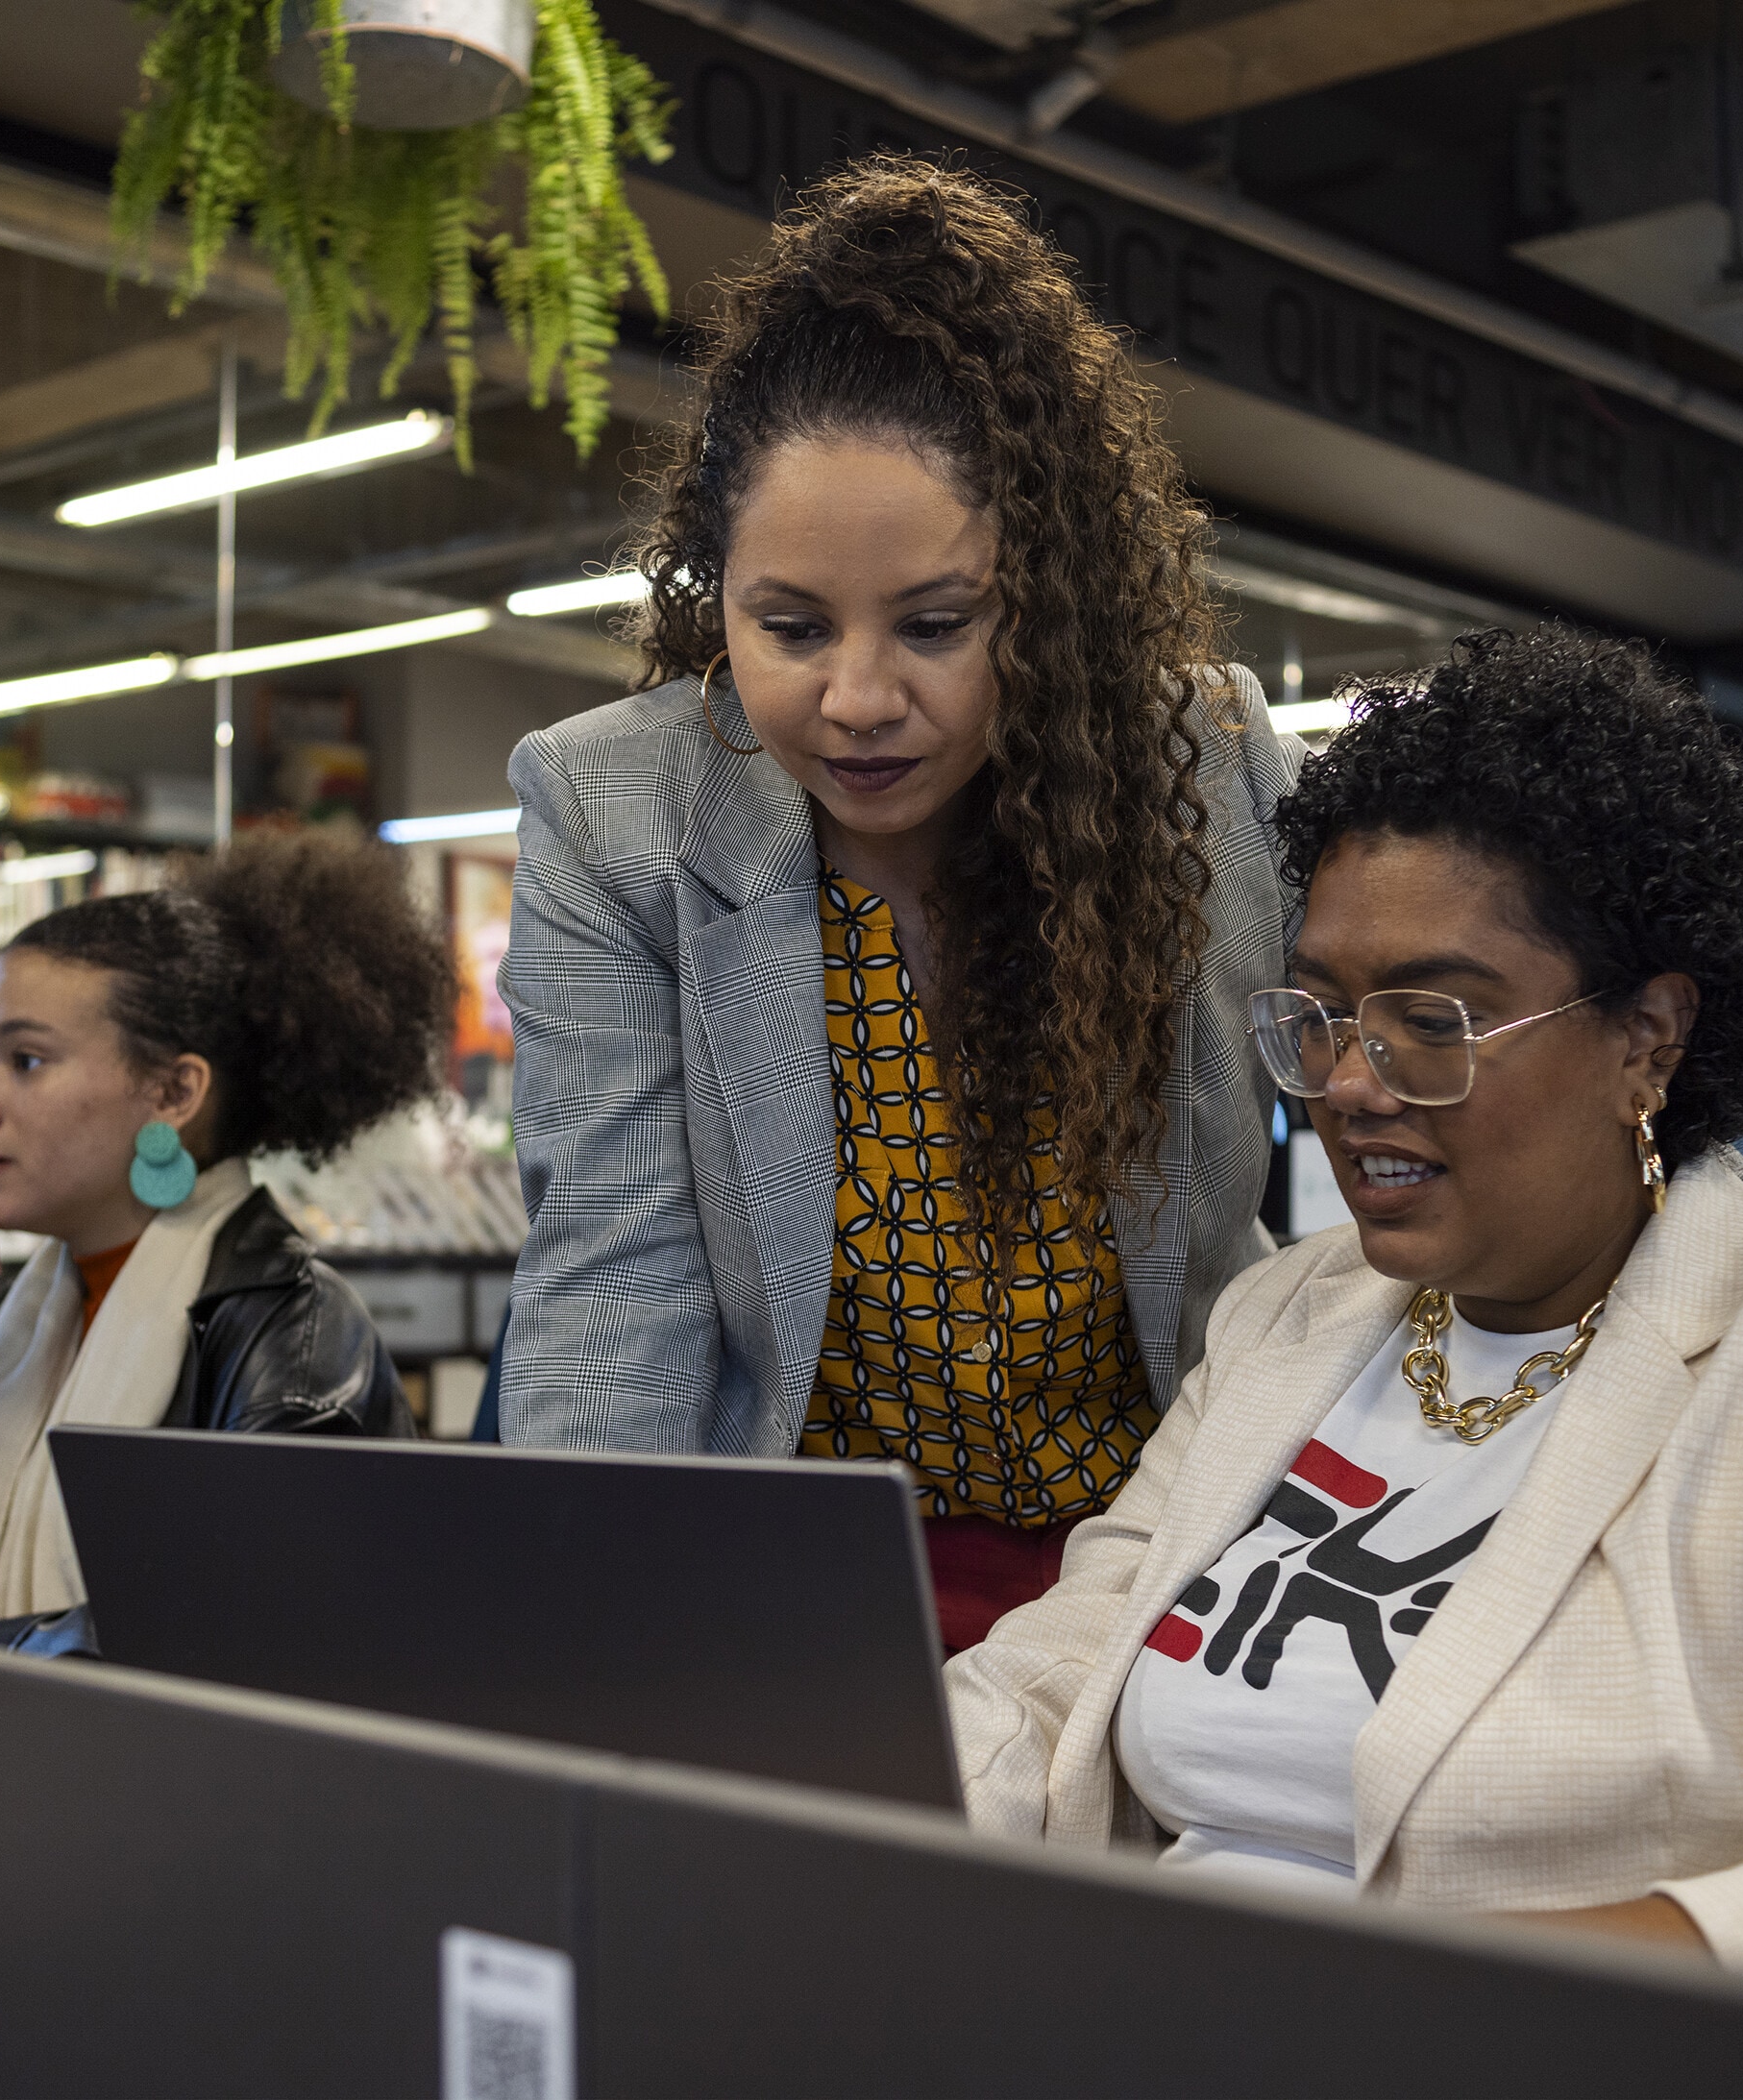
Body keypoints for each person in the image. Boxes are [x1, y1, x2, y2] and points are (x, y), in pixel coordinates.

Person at [947, 626, 1743, 2012]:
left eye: (1434, 1020)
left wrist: (1391, 2004)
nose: (1349, 1083)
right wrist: (808, 1802)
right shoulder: (1292, 1313)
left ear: (1648, 1038)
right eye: (1322, 1014)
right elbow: (1043, 1689)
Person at [495, 157, 1298, 1651]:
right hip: (806, 1587)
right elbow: (613, 1290)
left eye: (938, 625)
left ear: (1047, 596)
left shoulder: (1210, 767)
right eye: (786, 627)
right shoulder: (614, 816)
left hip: (1165, 1564)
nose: (858, 700)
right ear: (709, 593)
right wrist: (582, 1654)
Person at [0, 830, 450, 1651]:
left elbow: (263, 1632)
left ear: (174, 1091)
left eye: (25, 1060)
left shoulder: (291, 1334)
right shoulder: (28, 1317)